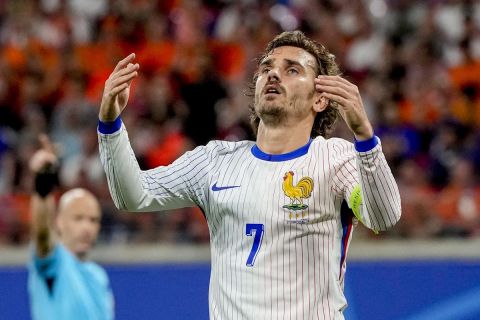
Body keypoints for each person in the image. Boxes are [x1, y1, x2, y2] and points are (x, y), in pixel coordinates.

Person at [97, 30, 401, 319]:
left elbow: (384, 216)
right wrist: (110, 124)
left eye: (292, 69)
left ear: (319, 99)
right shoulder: (215, 160)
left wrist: (364, 136)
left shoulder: (336, 158)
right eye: (267, 67)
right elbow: (133, 194)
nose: (273, 73)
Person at [28, 135, 114, 320]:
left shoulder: (98, 277)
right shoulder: (55, 261)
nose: (87, 228)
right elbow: (42, 231)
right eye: (78, 218)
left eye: (93, 220)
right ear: (59, 221)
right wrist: (43, 182)